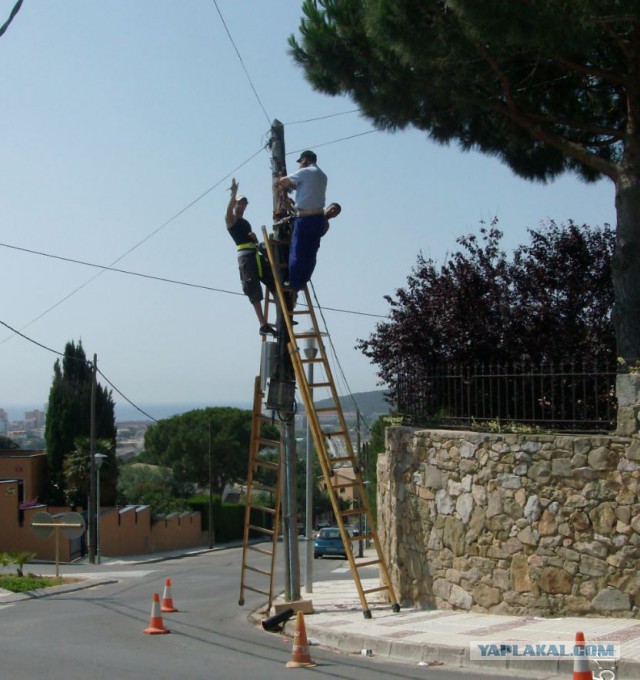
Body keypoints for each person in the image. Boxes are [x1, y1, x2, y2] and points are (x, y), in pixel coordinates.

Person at [225, 178, 276, 337]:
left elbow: (251, 241)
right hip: (245, 257)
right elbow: (228, 211)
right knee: (253, 290)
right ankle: (263, 324)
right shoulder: (231, 220)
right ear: (235, 204)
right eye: (240, 203)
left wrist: (254, 239)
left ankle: (281, 317)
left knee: (274, 281)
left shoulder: (246, 222)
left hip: (254, 253)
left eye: (244, 203)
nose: (242, 205)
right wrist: (233, 194)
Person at [274, 150, 328, 291]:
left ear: (304, 161)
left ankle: (294, 282)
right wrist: (295, 186)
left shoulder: (305, 172)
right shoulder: (322, 175)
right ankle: (303, 280)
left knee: (297, 251)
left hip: (305, 217)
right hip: (318, 216)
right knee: (311, 252)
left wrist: (280, 181)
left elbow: (283, 181)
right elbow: (309, 190)